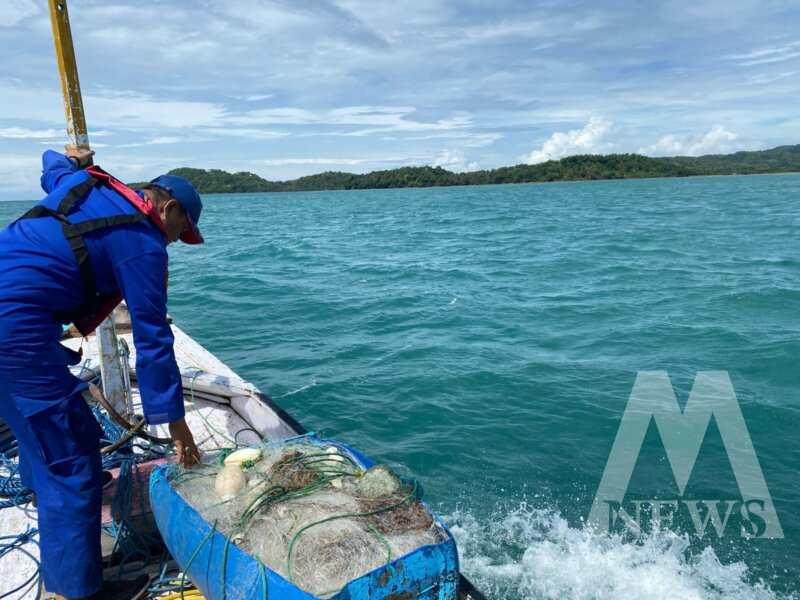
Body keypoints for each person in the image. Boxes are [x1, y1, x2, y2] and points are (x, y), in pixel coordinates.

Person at [0, 147, 202, 599]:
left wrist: (72, 159)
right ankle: (73, 591)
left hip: (14, 325)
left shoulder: (81, 184)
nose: (172, 243)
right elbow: (152, 338)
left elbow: (52, 164)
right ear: (167, 209)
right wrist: (177, 424)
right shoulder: (144, 243)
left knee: (43, 432)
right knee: (73, 468)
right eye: (179, 232)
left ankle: (48, 497)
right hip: (15, 331)